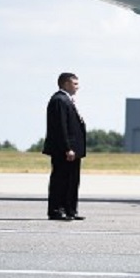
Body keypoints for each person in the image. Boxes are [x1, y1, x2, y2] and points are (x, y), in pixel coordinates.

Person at [43, 72, 85, 222]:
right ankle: (56, 210)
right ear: (66, 84)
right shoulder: (59, 100)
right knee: (61, 180)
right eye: (75, 84)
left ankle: (70, 209)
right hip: (64, 150)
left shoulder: (67, 100)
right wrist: (68, 148)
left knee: (72, 180)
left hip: (73, 150)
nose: (78, 87)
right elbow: (61, 127)